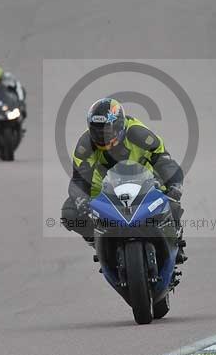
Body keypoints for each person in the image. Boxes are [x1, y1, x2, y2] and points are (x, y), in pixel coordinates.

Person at [60, 98, 187, 263]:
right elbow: (79, 179)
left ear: (119, 126)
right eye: (96, 132)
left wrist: (174, 185)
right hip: (103, 189)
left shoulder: (139, 134)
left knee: (172, 201)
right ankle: (97, 242)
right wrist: (81, 200)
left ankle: (175, 238)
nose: (101, 137)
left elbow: (164, 161)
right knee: (70, 212)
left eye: (106, 132)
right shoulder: (85, 146)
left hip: (146, 182)